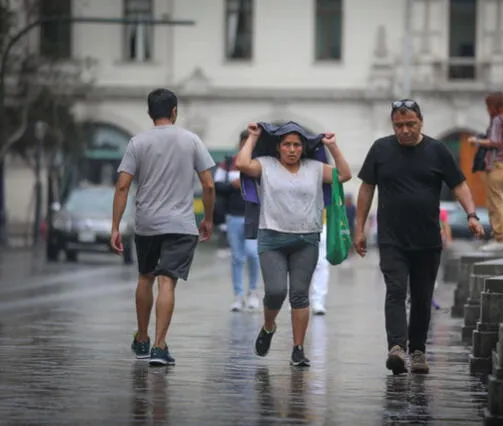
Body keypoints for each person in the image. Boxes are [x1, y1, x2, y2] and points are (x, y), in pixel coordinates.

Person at [353, 99, 484, 375]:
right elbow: (367, 188)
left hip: (427, 240)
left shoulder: (438, 151)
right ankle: (397, 349)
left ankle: (418, 350)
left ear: (421, 122)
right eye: (398, 125)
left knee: (423, 297)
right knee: (396, 290)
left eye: (410, 124)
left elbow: (458, 184)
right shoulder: (380, 149)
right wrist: (359, 228)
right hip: (391, 238)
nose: (404, 130)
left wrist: (471, 215)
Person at [110, 88, 215, 366]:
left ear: (149, 113)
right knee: (167, 282)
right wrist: (208, 218)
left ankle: (142, 340)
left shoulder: (137, 142)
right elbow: (208, 184)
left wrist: (115, 226)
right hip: (180, 225)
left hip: (147, 223)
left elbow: (123, 185)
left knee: (146, 277)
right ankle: (159, 347)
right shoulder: (191, 140)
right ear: (174, 111)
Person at [236, 122, 351, 367]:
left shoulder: (315, 168)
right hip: (272, 238)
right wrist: (254, 137)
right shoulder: (266, 165)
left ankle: (298, 349)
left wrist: (333, 146)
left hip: (306, 238)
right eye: (287, 144)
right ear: (278, 147)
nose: (291, 149)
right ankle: (268, 327)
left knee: (300, 295)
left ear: (303, 148)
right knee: (276, 292)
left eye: (296, 145)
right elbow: (242, 164)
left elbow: (344, 175)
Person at [215, 130, 261, 312]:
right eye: (244, 143)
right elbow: (216, 185)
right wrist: (232, 185)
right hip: (233, 215)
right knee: (237, 257)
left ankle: (253, 292)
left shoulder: (258, 163)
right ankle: (238, 295)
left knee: (253, 254)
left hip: (253, 215)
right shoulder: (227, 164)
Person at [468, 92, 503, 252]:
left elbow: (495, 142)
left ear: (495, 106)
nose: (487, 109)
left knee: (495, 203)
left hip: (497, 166)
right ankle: (498, 237)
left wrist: (477, 141)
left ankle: (499, 239)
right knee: (495, 202)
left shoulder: (497, 120)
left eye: (489, 106)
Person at [310, 209, 329, 315]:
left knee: (321, 264)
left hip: (321, 221)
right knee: (298, 262)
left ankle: (318, 300)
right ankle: (296, 299)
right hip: (297, 222)